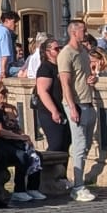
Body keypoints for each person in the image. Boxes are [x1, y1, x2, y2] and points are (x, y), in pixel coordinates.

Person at [0, 79, 44, 202]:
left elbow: (15, 127)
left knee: (36, 156)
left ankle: (33, 188)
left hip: (11, 142)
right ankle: (19, 189)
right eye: (2, 93)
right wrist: (19, 138)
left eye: (6, 92)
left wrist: (24, 137)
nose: (5, 95)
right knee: (21, 156)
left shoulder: (5, 110)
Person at [57, 21, 101, 201]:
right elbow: (65, 83)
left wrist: (91, 80)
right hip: (76, 104)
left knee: (87, 144)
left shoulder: (83, 52)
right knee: (80, 145)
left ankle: (76, 178)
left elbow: (82, 76)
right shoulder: (66, 54)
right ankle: (78, 186)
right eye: (83, 30)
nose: (85, 33)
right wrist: (72, 107)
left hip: (88, 101)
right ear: (74, 32)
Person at [33, 35, 71, 165]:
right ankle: (46, 175)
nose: (60, 50)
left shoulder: (62, 66)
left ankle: (61, 176)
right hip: (49, 112)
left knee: (65, 143)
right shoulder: (45, 68)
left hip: (64, 109)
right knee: (56, 144)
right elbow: (42, 91)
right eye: (56, 49)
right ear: (47, 52)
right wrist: (54, 111)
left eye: (61, 48)